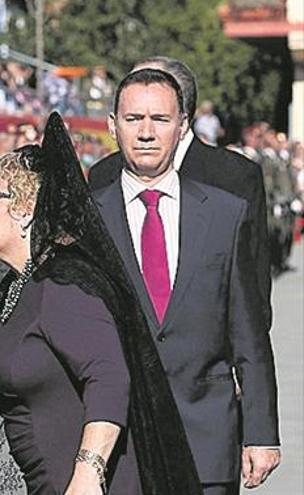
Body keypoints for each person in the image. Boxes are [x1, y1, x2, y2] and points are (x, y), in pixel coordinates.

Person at [0, 113, 200, 495]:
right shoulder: (21, 282)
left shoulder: (63, 283)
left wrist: (88, 473)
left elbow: (110, 378)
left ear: (24, 209)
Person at [92, 68, 280, 494]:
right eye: (133, 119)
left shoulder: (222, 214)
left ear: (182, 128)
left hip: (207, 439)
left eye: (159, 120)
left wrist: (261, 431)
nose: (145, 132)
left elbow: (249, 333)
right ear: (112, 126)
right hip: (121, 442)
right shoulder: (90, 217)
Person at [88, 56, 272, 336]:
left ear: (181, 114)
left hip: (207, 362)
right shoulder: (104, 174)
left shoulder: (234, 176)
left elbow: (253, 283)